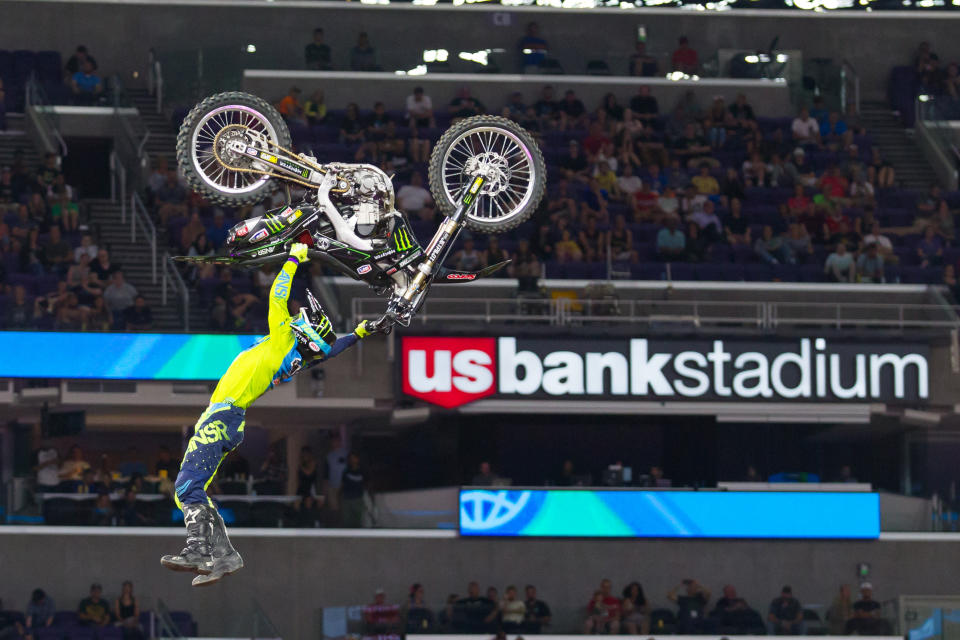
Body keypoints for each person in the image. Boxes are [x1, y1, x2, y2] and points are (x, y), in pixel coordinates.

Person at [161, 244, 378, 585]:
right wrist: (358, 334)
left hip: (223, 415)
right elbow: (330, 350)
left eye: (303, 321)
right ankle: (224, 556)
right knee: (192, 489)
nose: (298, 317)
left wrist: (293, 258)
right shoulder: (300, 356)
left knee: (186, 487)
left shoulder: (283, 340)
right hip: (227, 418)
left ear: (303, 332)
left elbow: (278, 295)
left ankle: (198, 549)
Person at [341, 451, 367, 527]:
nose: (352, 460)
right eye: (350, 458)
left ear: (358, 459)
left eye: (354, 458)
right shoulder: (346, 471)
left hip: (358, 498)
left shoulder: (363, 471)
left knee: (358, 522)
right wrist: (339, 496)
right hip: (346, 499)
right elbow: (342, 485)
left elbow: (368, 485)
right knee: (347, 522)